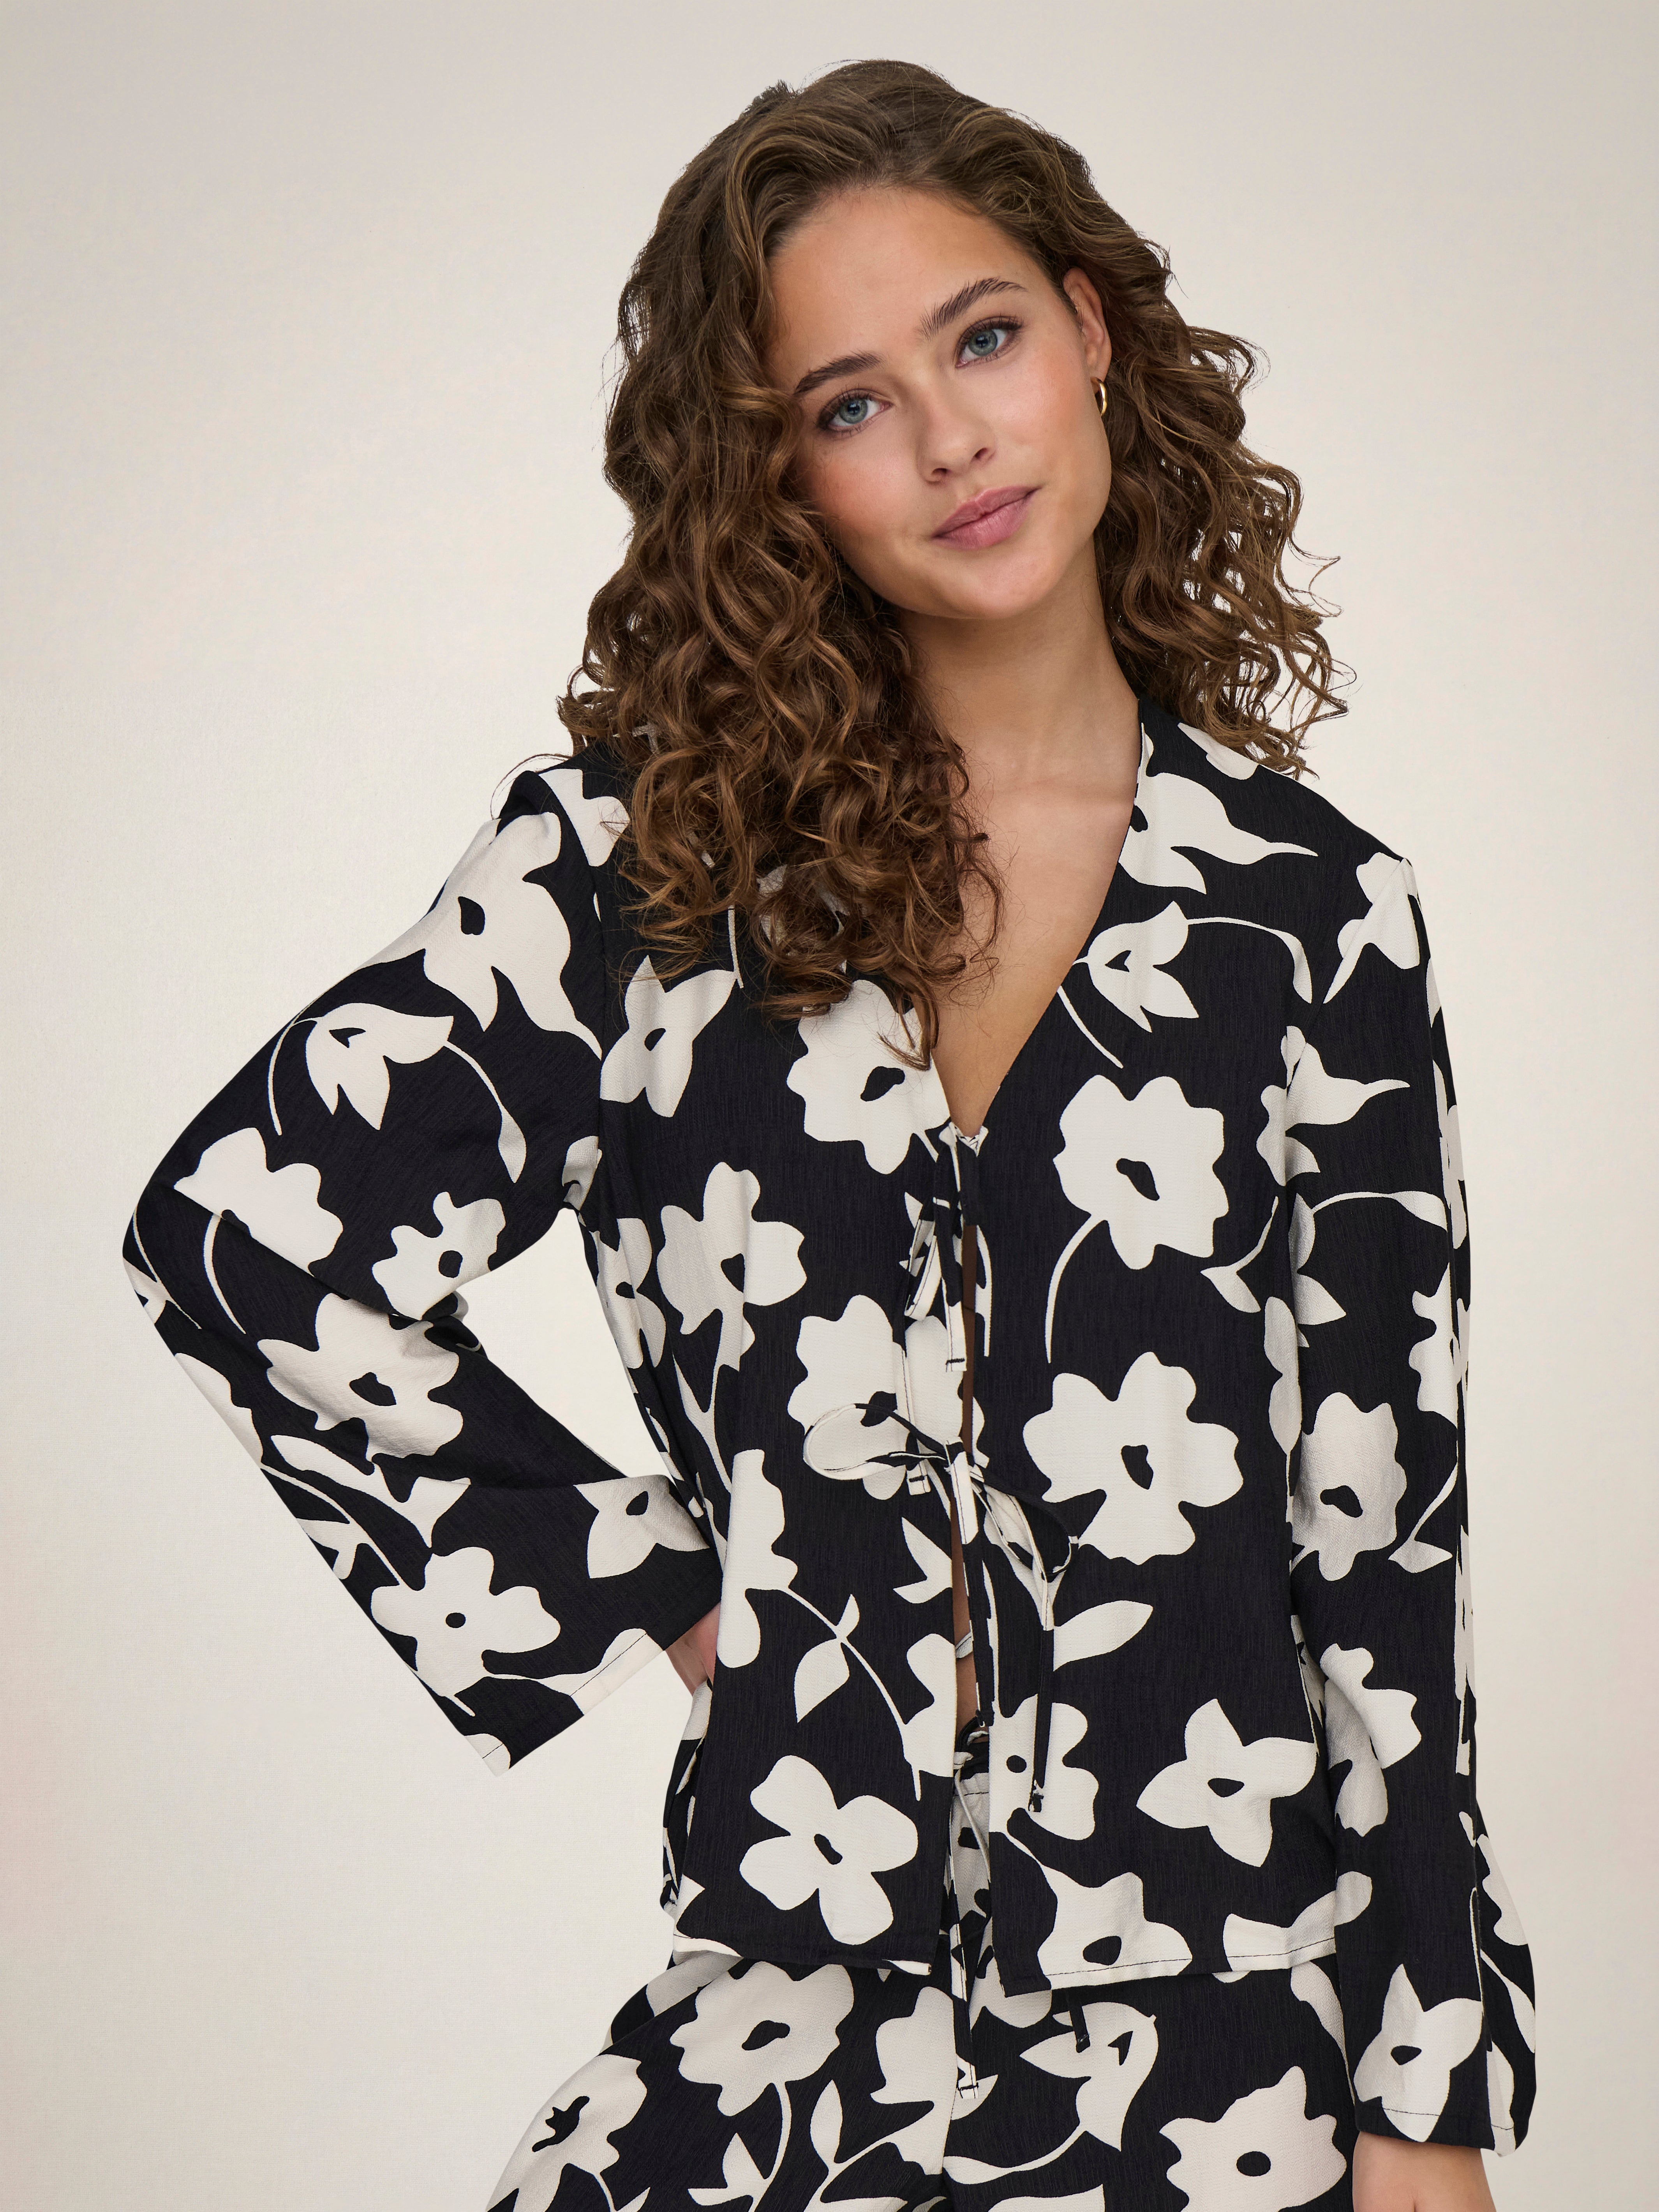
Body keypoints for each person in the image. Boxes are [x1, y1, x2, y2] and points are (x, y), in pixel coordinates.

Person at [123, 57, 1536, 2212]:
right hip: (804, 1995)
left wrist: (1423, 2107)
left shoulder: (1309, 918)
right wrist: (651, 1580)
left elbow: (1383, 1551)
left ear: (1086, 334)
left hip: (1231, 2038)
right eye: (853, 402)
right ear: (778, 478)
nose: (953, 436)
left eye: (983, 338)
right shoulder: (644, 876)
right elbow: (246, 1239)